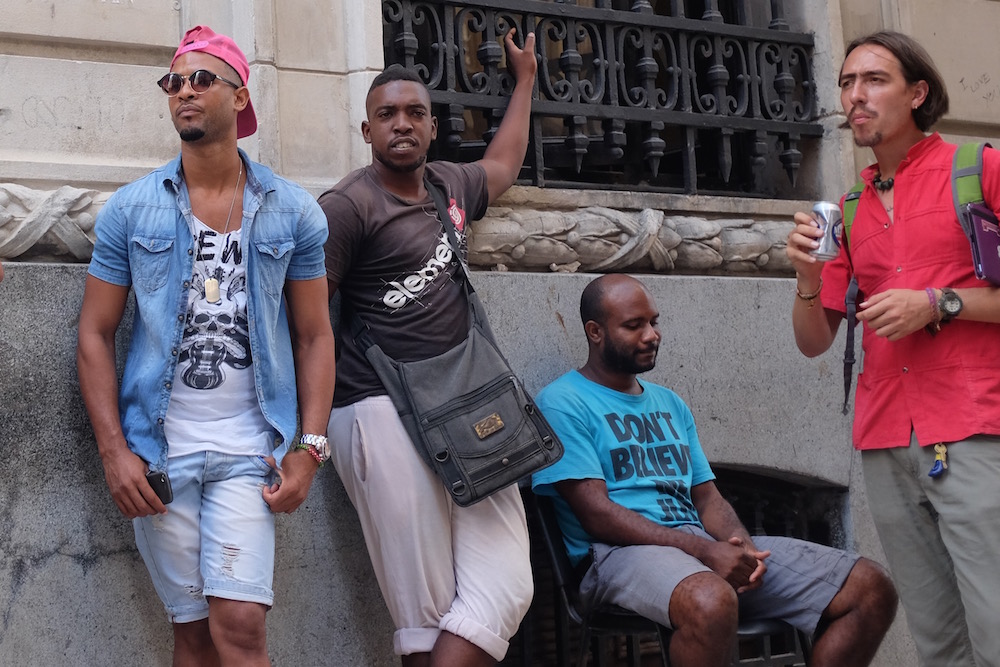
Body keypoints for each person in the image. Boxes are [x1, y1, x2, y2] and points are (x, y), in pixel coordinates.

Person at [76, 26, 335, 666]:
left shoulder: (293, 212)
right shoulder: (131, 209)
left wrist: (310, 446)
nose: (183, 92)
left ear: (240, 97)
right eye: (173, 82)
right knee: (191, 635)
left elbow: (314, 334)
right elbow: (95, 333)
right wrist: (114, 454)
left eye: (201, 79)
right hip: (159, 453)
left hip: (251, 451)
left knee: (242, 628)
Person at [532, 274, 898, 667]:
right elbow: (596, 515)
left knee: (869, 588)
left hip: (695, 546)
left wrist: (745, 551)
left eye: (654, 322)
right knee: (710, 600)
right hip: (615, 556)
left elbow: (706, 497)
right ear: (595, 331)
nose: (652, 335)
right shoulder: (562, 402)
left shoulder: (669, 403)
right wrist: (706, 551)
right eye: (634, 326)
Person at [318, 29, 537, 667]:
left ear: (433, 127)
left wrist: (524, 81)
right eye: (387, 115)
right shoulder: (346, 207)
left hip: (469, 408)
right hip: (378, 409)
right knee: (425, 615)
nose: (402, 124)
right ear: (366, 131)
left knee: (508, 586)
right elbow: (302, 319)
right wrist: (304, 431)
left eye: (415, 113)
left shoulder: (448, 187)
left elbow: (504, 162)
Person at [786, 30, 1000, 666]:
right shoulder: (848, 209)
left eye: (874, 80)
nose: (856, 95)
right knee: (937, 638)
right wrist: (803, 279)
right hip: (885, 437)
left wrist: (939, 302)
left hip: (970, 425)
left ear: (918, 92)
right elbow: (813, 341)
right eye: (847, 83)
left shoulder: (978, 168)